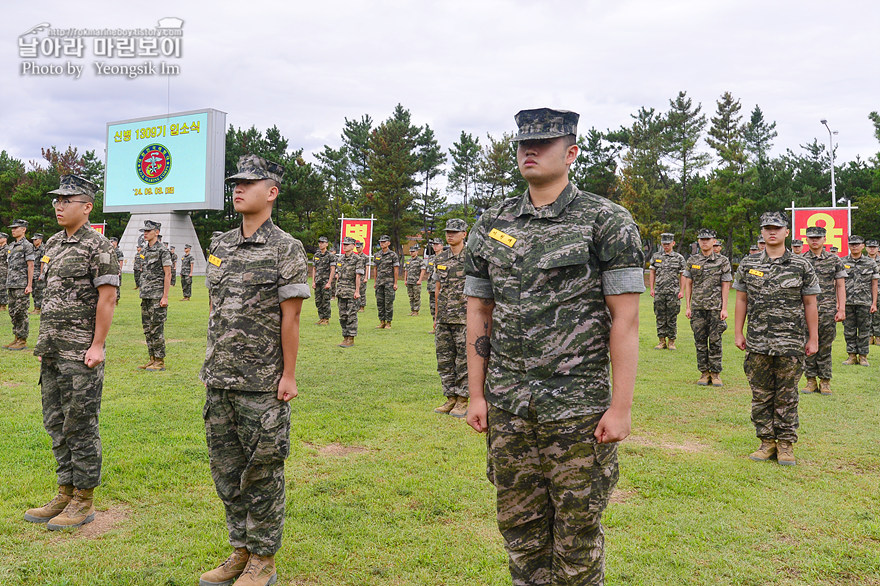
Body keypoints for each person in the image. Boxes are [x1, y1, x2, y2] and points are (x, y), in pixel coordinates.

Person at [464, 108, 644, 585]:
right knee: (519, 527)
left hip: (578, 407)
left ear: (571, 152)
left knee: (577, 532)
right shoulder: (492, 223)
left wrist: (621, 407)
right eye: (524, 143)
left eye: (543, 143)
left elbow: (625, 321)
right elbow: (479, 314)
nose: (530, 150)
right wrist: (478, 395)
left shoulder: (606, 220)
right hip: (509, 404)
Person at [200, 154, 309, 586]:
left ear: (272, 191)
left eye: (248, 182)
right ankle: (240, 550)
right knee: (226, 470)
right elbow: (215, 307)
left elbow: (292, 318)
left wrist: (288, 375)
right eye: (235, 182)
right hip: (219, 378)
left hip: (262, 381)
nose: (238, 188)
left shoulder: (287, 248)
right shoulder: (221, 244)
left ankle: (263, 558)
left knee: (262, 472)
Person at [23, 175, 118, 530]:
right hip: (52, 348)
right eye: (56, 200)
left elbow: (107, 298)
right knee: (55, 421)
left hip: (80, 352)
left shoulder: (100, 246)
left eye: (67, 200)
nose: (59, 206)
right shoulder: (52, 243)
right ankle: (65, 490)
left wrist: (97, 345)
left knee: (80, 423)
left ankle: (84, 498)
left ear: (87, 206)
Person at [734, 212, 819, 466]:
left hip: (790, 343)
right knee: (761, 395)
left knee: (787, 395)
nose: (772, 232)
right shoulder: (748, 264)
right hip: (758, 342)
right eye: (767, 228)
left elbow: (810, 303)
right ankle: (766, 442)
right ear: (761, 233)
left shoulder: (801, 265)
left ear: (786, 232)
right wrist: (738, 331)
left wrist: (813, 338)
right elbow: (741, 299)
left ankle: (785, 445)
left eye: (777, 228)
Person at [683, 229, 732, 386]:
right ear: (698, 241)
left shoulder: (722, 261)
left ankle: (716, 373)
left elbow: (726, 285)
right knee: (700, 341)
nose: (704, 242)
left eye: (707, 239)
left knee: (716, 340)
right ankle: (704, 373)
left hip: (715, 308)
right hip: (698, 308)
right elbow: (688, 284)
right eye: (701, 239)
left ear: (714, 241)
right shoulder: (692, 261)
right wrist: (688, 306)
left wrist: (724, 308)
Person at [801, 226, 846, 395]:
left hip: (827, 309)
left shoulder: (834, 260)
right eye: (811, 237)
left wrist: (841, 308)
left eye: (818, 237)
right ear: (806, 240)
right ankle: (810, 380)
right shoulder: (801, 260)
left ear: (824, 239)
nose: (815, 240)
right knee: (808, 344)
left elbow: (841, 285)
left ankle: (825, 381)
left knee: (825, 346)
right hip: (806, 310)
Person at [433, 219, 469, 418]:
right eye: (448, 232)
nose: (450, 235)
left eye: (455, 232)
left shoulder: (472, 257)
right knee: (445, 359)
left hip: (464, 317)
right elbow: (438, 290)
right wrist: (436, 316)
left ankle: (463, 400)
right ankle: (450, 398)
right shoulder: (441, 258)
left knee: (463, 360)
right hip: (445, 317)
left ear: (464, 233)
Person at [138, 220, 171, 371]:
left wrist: (165, 296)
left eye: (148, 231)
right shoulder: (144, 251)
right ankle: (152, 358)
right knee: (147, 328)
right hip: (146, 295)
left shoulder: (162, 250)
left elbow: (168, 273)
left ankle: (160, 360)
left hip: (157, 296)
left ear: (156, 232)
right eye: (144, 231)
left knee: (157, 329)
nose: (145, 233)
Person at [840, 235, 878, 366]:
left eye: (857, 244)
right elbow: (838, 284)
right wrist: (839, 303)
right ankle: (851, 356)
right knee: (849, 330)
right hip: (847, 302)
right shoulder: (842, 261)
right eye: (851, 244)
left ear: (863, 246)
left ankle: (863, 356)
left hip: (865, 302)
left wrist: (874, 303)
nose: (854, 246)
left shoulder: (870, 263)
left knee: (864, 330)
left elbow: (874, 284)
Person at [648, 233, 685, 350]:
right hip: (659, 291)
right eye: (664, 244)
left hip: (673, 292)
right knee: (660, 316)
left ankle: (671, 342)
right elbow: (652, 272)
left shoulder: (678, 258)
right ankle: (661, 341)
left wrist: (682, 290)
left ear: (673, 243)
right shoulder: (656, 256)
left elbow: (683, 274)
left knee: (672, 317)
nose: (666, 246)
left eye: (668, 244)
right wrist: (652, 288)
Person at [4, 219, 35, 350]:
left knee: (21, 312)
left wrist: (29, 285)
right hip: (11, 284)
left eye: (16, 228)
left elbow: (31, 265)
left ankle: (22, 340)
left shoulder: (27, 245)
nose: (13, 230)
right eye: (12, 228)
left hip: (21, 284)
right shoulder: (11, 246)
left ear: (24, 229)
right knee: (12, 312)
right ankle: (16, 337)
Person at [335, 236, 362, 347]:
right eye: (344, 244)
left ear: (352, 246)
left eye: (347, 244)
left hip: (351, 291)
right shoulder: (340, 259)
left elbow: (358, 276)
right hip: (341, 290)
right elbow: (338, 275)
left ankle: (351, 338)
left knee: (351, 315)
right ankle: (345, 337)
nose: (344, 246)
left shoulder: (357, 259)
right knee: (342, 315)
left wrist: (357, 291)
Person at [373, 235, 399, 328]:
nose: (382, 243)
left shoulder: (393, 255)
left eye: (384, 242)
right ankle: (382, 321)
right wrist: (375, 281)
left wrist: (395, 283)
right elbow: (375, 268)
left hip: (389, 282)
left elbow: (396, 269)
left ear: (389, 243)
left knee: (388, 302)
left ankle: (388, 322)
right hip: (380, 282)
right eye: (381, 242)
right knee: (380, 302)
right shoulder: (377, 255)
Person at [312, 236, 335, 324]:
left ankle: (326, 319)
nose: (320, 244)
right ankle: (321, 317)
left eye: (322, 242)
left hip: (325, 281)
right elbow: (314, 269)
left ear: (326, 244)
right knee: (318, 300)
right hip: (318, 281)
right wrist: (313, 281)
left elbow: (332, 269)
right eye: (319, 242)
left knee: (325, 300)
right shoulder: (316, 255)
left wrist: (329, 282)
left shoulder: (330, 256)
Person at [427, 238, 444, 333]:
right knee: (433, 307)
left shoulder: (445, 257)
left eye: (437, 244)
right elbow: (430, 274)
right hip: (432, 286)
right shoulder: (431, 258)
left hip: (441, 287)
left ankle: (441, 328)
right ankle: (435, 326)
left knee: (441, 307)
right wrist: (429, 287)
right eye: (434, 245)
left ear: (441, 246)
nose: (435, 246)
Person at [404, 243, 426, 316]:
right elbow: (406, 270)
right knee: (411, 297)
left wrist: (420, 280)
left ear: (417, 252)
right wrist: (405, 280)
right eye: (410, 251)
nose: (411, 253)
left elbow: (423, 270)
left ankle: (416, 311)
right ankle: (412, 310)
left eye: (413, 251)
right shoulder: (408, 260)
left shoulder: (420, 260)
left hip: (416, 282)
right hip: (409, 281)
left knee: (416, 296)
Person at [867, 239, 880, 345]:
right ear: (866, 248)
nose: (872, 249)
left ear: (877, 248)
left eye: (874, 247)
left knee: (878, 315)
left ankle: (878, 336)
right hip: (866, 292)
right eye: (870, 247)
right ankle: (870, 336)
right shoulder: (863, 261)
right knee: (867, 315)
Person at [30, 233, 45, 314]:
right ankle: (35, 307)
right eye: (33, 240)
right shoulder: (33, 249)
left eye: (35, 239)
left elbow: (43, 262)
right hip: (33, 273)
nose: (34, 241)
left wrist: (41, 273)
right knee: (34, 292)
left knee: (39, 291)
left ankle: (38, 308)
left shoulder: (43, 249)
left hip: (39, 273)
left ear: (40, 239)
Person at [110, 237, 124, 304]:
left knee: (117, 286)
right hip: (111, 271)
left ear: (116, 242)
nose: (111, 243)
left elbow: (121, 261)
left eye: (112, 242)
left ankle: (117, 299)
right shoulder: (109, 250)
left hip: (117, 271)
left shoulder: (118, 252)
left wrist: (119, 270)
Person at [355, 240, 368, 311]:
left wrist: (366, 277)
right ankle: (356, 306)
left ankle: (362, 306)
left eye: (359, 247)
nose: (358, 249)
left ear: (362, 247)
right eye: (357, 247)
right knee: (356, 291)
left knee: (362, 291)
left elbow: (367, 267)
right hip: (356, 276)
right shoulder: (355, 256)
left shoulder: (365, 257)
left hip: (362, 276)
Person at [0, 232, 9, 311]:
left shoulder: (7, 249)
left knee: (3, 288)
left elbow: (9, 261)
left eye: (0, 238)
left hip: (4, 271)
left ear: (5, 239)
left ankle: (3, 305)